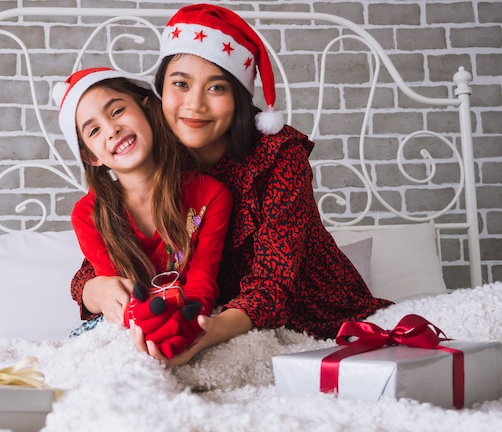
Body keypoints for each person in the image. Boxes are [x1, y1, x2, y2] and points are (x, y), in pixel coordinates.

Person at [70, 5, 393, 365]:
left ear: (238, 96)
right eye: (180, 83)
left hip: (313, 318)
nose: (194, 104)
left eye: (217, 87)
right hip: (209, 315)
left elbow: (274, 283)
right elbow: (108, 247)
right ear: (158, 91)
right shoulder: (148, 152)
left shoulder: (276, 155)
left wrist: (205, 332)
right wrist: (93, 291)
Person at [54, 67, 232, 358]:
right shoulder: (88, 214)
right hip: (127, 326)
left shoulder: (210, 195)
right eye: (95, 130)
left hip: (191, 315)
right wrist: (149, 330)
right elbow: (117, 293)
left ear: (148, 110)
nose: (112, 129)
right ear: (91, 156)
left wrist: (186, 325)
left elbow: (202, 279)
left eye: (117, 111)